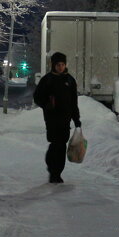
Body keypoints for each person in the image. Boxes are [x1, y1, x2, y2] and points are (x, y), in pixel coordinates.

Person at [33, 51, 81, 183]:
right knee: (55, 144)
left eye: (62, 64)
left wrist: (77, 120)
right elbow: (37, 97)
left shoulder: (70, 81)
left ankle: (57, 172)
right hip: (52, 119)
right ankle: (52, 169)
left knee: (62, 145)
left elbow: (73, 102)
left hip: (65, 119)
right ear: (53, 65)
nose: (60, 67)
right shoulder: (47, 80)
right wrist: (47, 104)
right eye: (58, 64)